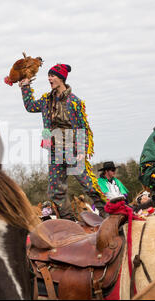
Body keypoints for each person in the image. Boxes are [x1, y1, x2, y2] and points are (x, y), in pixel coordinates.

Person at [18, 64, 108, 218]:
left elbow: (83, 127)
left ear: (61, 79)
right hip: (54, 150)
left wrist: (82, 150)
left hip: (72, 149)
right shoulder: (46, 99)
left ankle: (109, 215)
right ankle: (68, 221)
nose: (49, 78)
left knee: (89, 185)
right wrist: (25, 87)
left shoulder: (75, 102)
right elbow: (30, 106)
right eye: (48, 76)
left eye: (52, 76)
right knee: (55, 191)